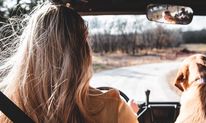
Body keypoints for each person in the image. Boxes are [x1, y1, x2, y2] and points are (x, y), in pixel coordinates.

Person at [0, 0, 138, 123]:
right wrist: (130, 115)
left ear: (29, 51)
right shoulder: (114, 109)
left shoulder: (8, 112)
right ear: (83, 50)